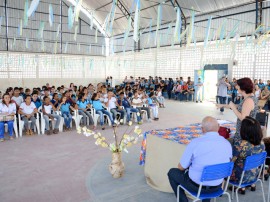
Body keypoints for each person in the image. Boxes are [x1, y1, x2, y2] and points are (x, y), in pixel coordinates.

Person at [168, 116, 232, 202]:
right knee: (210, 172)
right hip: (218, 186)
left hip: (197, 187)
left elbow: (181, 167)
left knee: (172, 172)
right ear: (218, 127)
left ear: (202, 129)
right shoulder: (227, 144)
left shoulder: (195, 143)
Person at [217, 78, 258, 142]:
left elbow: (243, 118)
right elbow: (240, 106)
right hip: (244, 129)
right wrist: (222, 105)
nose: (237, 88)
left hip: (244, 131)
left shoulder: (249, 100)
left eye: (238, 86)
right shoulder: (248, 97)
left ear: (243, 88)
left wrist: (233, 108)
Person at [230, 117, 265, 194]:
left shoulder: (240, 144)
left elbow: (231, 161)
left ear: (244, 131)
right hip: (254, 175)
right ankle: (248, 186)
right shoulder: (262, 144)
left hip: (239, 178)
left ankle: (240, 187)